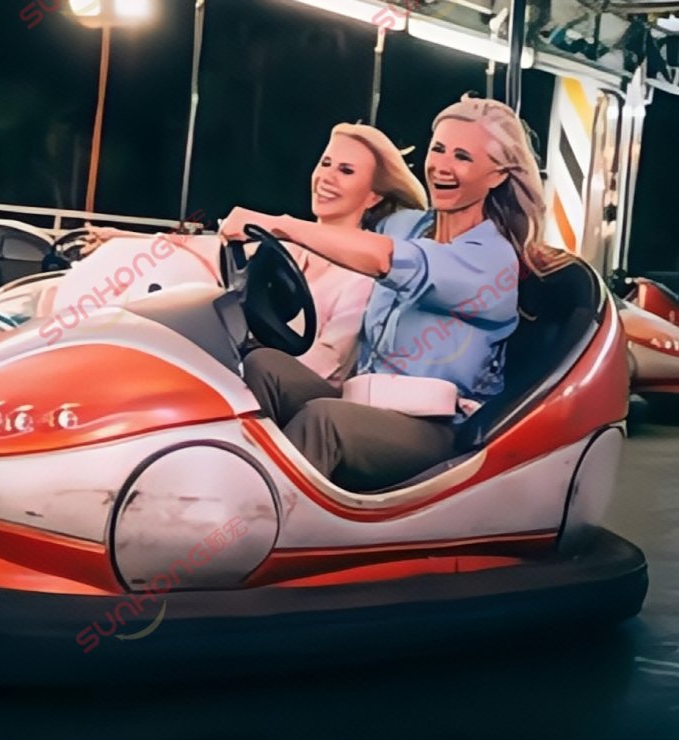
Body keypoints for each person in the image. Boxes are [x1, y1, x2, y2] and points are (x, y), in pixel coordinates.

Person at [223, 96, 546, 490]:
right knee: (261, 366)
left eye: (463, 156)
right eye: (438, 149)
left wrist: (278, 223)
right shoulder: (405, 224)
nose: (442, 165)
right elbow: (345, 235)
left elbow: (385, 259)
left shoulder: (490, 259)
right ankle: (211, 483)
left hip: (436, 429)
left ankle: (250, 520)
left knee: (325, 421)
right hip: (366, 399)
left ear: (496, 175)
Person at [83, 124, 427, 388]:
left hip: (296, 392)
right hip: (245, 373)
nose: (326, 177)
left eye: (346, 171)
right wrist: (128, 240)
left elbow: (330, 363)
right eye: (325, 163)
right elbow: (209, 246)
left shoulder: (362, 271)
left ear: (372, 198)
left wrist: (238, 374)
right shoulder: (289, 246)